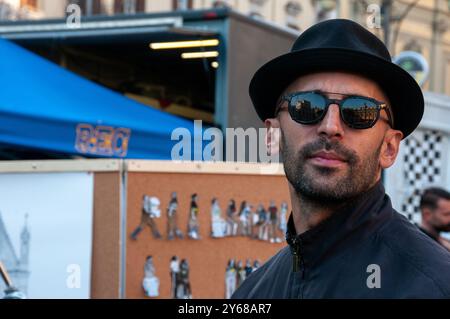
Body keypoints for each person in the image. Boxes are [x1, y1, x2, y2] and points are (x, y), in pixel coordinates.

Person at [232, 19, 450, 298]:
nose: (331, 126)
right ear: (273, 135)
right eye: (306, 106)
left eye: (359, 112)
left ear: (389, 148)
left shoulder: (434, 286)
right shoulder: (252, 293)